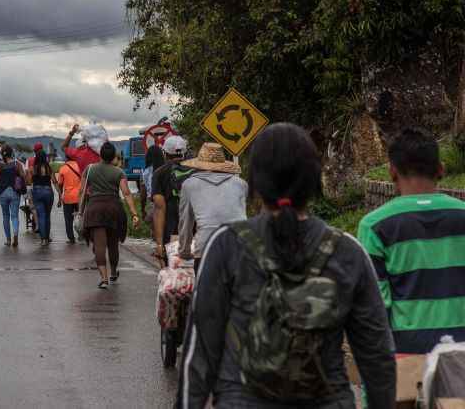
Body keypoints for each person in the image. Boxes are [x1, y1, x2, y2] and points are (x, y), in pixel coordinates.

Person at [176, 123, 396, 409]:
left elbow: (200, 354)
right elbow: (377, 357)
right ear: (315, 181)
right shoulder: (348, 252)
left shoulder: (227, 246)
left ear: (254, 184)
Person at [359, 128, 465, 354]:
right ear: (440, 170)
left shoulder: (375, 226)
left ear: (392, 172)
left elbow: (376, 307)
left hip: (407, 357)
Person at [80, 142, 139, 288]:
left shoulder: (89, 169)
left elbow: (81, 192)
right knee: (113, 244)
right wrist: (134, 214)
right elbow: (126, 193)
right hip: (113, 209)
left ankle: (104, 279)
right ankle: (113, 272)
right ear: (113, 156)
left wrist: (80, 211)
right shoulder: (118, 172)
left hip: (94, 209)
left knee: (99, 245)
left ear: (100, 154)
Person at [177, 142, 247, 266]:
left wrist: (184, 251)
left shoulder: (190, 184)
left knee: (206, 285)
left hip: (206, 246)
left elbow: (186, 222)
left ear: (199, 165)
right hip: (239, 245)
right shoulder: (240, 184)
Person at [150, 136, 188, 262]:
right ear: (185, 153)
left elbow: (159, 208)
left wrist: (159, 244)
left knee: (173, 273)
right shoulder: (196, 171)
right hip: (194, 231)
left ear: (165, 153)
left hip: (171, 232)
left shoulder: (159, 173)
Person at [0, 145, 25, 247]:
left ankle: (8, 240)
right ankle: (15, 235)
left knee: (5, 216)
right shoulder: (17, 164)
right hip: (15, 192)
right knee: (15, 216)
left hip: (2, 193)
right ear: (11, 152)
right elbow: (23, 177)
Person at [27, 145, 56, 246]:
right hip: (48, 192)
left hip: (37, 192)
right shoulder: (49, 168)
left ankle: (43, 239)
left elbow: (29, 182)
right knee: (47, 216)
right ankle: (47, 238)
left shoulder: (33, 168)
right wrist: (60, 195)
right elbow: (55, 182)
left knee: (41, 216)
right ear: (45, 158)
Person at [56, 158, 82, 244]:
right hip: (79, 197)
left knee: (68, 219)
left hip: (68, 197)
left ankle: (71, 238)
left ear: (66, 158)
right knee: (81, 216)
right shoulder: (80, 166)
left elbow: (60, 184)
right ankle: (82, 235)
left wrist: (60, 198)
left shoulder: (63, 168)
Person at [139, 144, 165, 223]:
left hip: (154, 204)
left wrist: (143, 210)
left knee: (156, 231)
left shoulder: (145, 173)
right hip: (169, 204)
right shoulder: (166, 169)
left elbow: (143, 194)